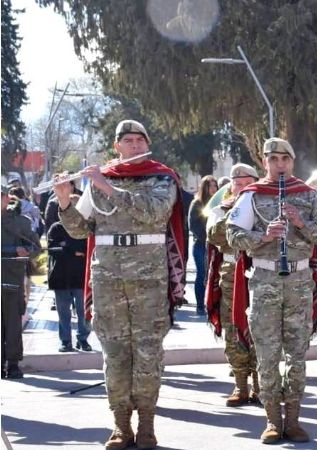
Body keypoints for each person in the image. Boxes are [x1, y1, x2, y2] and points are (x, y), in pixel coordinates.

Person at [54, 119, 185, 450]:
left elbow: (155, 213)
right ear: (117, 146)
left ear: (147, 143)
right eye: (128, 141)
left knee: (148, 353)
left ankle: (147, 424)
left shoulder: (161, 177)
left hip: (149, 278)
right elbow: (80, 229)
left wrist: (107, 186)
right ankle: (121, 424)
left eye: (140, 140)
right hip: (108, 278)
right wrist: (65, 202)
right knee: (114, 353)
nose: (135, 145)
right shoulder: (102, 178)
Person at [226, 137, 317, 444]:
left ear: (292, 161)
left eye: (284, 159)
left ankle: (294, 420)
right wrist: (263, 236)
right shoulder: (252, 194)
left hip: (299, 281)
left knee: (297, 354)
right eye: (273, 159)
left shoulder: (308, 195)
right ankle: (273, 420)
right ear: (265, 162)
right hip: (264, 280)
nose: (279, 164)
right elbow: (232, 235)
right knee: (267, 354)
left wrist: (300, 223)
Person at [206, 164, 260, 407]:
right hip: (231, 274)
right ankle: (240, 384)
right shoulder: (220, 209)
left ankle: (261, 384)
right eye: (237, 185)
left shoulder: (266, 208)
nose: (242, 188)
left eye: (247, 184)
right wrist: (236, 210)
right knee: (233, 327)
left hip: (260, 271)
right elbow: (215, 236)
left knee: (262, 328)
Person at [1, 185, 41, 379]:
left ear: (6, 199)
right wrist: (10, 250)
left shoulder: (21, 222)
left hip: (12, 279)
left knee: (13, 324)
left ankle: (13, 364)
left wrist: (25, 251)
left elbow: (36, 247)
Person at [47, 220, 91, 352]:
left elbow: (86, 248)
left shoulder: (84, 228)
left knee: (83, 310)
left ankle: (83, 339)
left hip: (81, 276)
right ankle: (65, 341)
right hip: (60, 276)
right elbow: (53, 249)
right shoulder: (56, 228)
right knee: (63, 312)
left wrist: (66, 246)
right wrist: (73, 251)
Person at [188, 175, 218, 315]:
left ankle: (212, 303)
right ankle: (200, 305)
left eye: (215, 185)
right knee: (202, 274)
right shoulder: (197, 203)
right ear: (204, 187)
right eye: (210, 185)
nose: (213, 188)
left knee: (215, 274)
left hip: (216, 245)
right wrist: (207, 237)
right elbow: (193, 225)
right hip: (201, 245)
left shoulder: (220, 203)